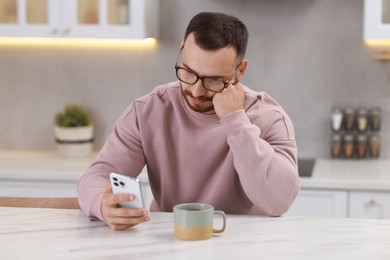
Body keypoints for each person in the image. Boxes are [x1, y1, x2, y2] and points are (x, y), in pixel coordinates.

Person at [77, 12, 300, 230]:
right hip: (171, 239)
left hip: (244, 245)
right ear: (183, 50)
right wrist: (101, 203)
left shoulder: (269, 117)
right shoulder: (148, 110)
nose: (196, 90)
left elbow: (278, 202)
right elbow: (98, 175)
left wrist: (235, 122)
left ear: (239, 72)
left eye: (213, 80)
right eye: (189, 71)